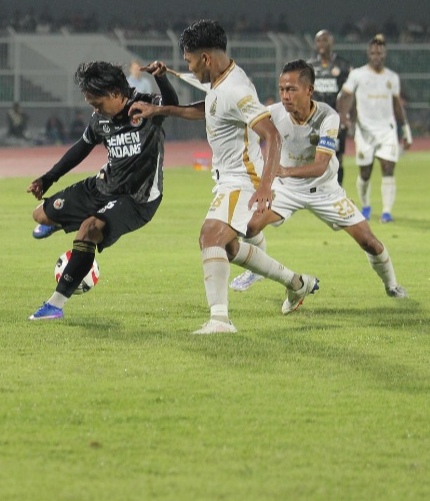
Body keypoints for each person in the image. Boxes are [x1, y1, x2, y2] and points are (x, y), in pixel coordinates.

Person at [129, 20, 321, 334]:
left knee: (210, 236)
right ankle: (297, 283)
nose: (189, 67)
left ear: (206, 58)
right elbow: (208, 109)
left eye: (190, 61)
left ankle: (219, 321)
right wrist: (159, 111)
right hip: (227, 179)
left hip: (243, 179)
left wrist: (265, 187)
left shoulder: (236, 89)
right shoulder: (221, 83)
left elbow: (272, 136)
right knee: (228, 249)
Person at [219, 60, 408, 298]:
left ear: (309, 90)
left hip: (325, 191)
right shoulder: (274, 113)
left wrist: (283, 171)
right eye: (282, 89)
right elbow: (242, 122)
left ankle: (392, 285)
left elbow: (320, 166)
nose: (285, 96)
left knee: (369, 241)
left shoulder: (328, 117)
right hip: (286, 189)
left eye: (291, 89)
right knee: (248, 227)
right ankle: (257, 270)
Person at [25, 60, 178, 322]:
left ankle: (55, 305)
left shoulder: (147, 106)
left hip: (137, 199)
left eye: (97, 103)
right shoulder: (100, 119)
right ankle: (62, 222)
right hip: (102, 186)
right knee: (40, 215)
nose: (95, 110)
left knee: (89, 229)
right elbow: (81, 148)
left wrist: (162, 79)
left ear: (116, 94)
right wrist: (48, 179)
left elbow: (173, 104)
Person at [336, 35, 412, 223]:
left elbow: (397, 105)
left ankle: (387, 212)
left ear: (385, 54)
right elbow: (344, 97)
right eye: (373, 53)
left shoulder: (392, 77)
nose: (376, 56)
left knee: (388, 168)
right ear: (368, 54)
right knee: (365, 172)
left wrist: (406, 129)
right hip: (365, 131)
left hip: (387, 130)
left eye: (380, 53)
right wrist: (344, 118)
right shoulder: (358, 75)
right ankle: (366, 206)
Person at [308, 29, 352, 184]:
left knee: (337, 157)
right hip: (315, 120)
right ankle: (317, 191)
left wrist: (346, 115)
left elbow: (349, 94)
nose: (321, 44)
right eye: (318, 41)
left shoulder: (343, 65)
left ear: (332, 43)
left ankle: (337, 189)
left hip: (336, 119)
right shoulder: (310, 66)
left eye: (325, 40)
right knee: (314, 157)